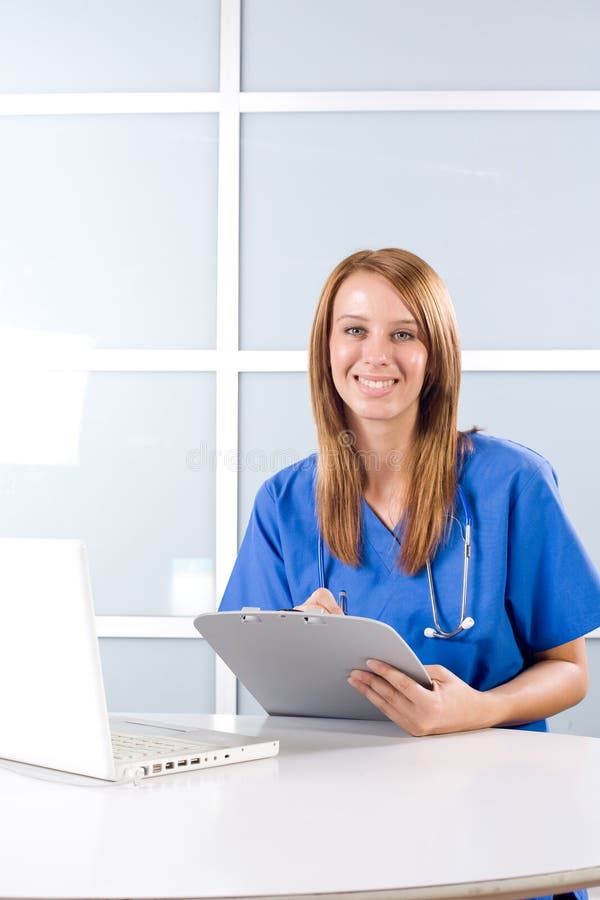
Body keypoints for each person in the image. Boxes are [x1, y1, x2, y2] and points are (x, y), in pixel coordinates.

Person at [220, 248, 600, 738]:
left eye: (403, 334)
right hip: (335, 785)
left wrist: (476, 710)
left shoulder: (513, 483)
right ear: (326, 349)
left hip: (489, 784)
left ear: (434, 353)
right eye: (355, 330)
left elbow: (570, 671)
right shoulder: (285, 500)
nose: (377, 355)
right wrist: (298, 638)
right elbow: (260, 664)